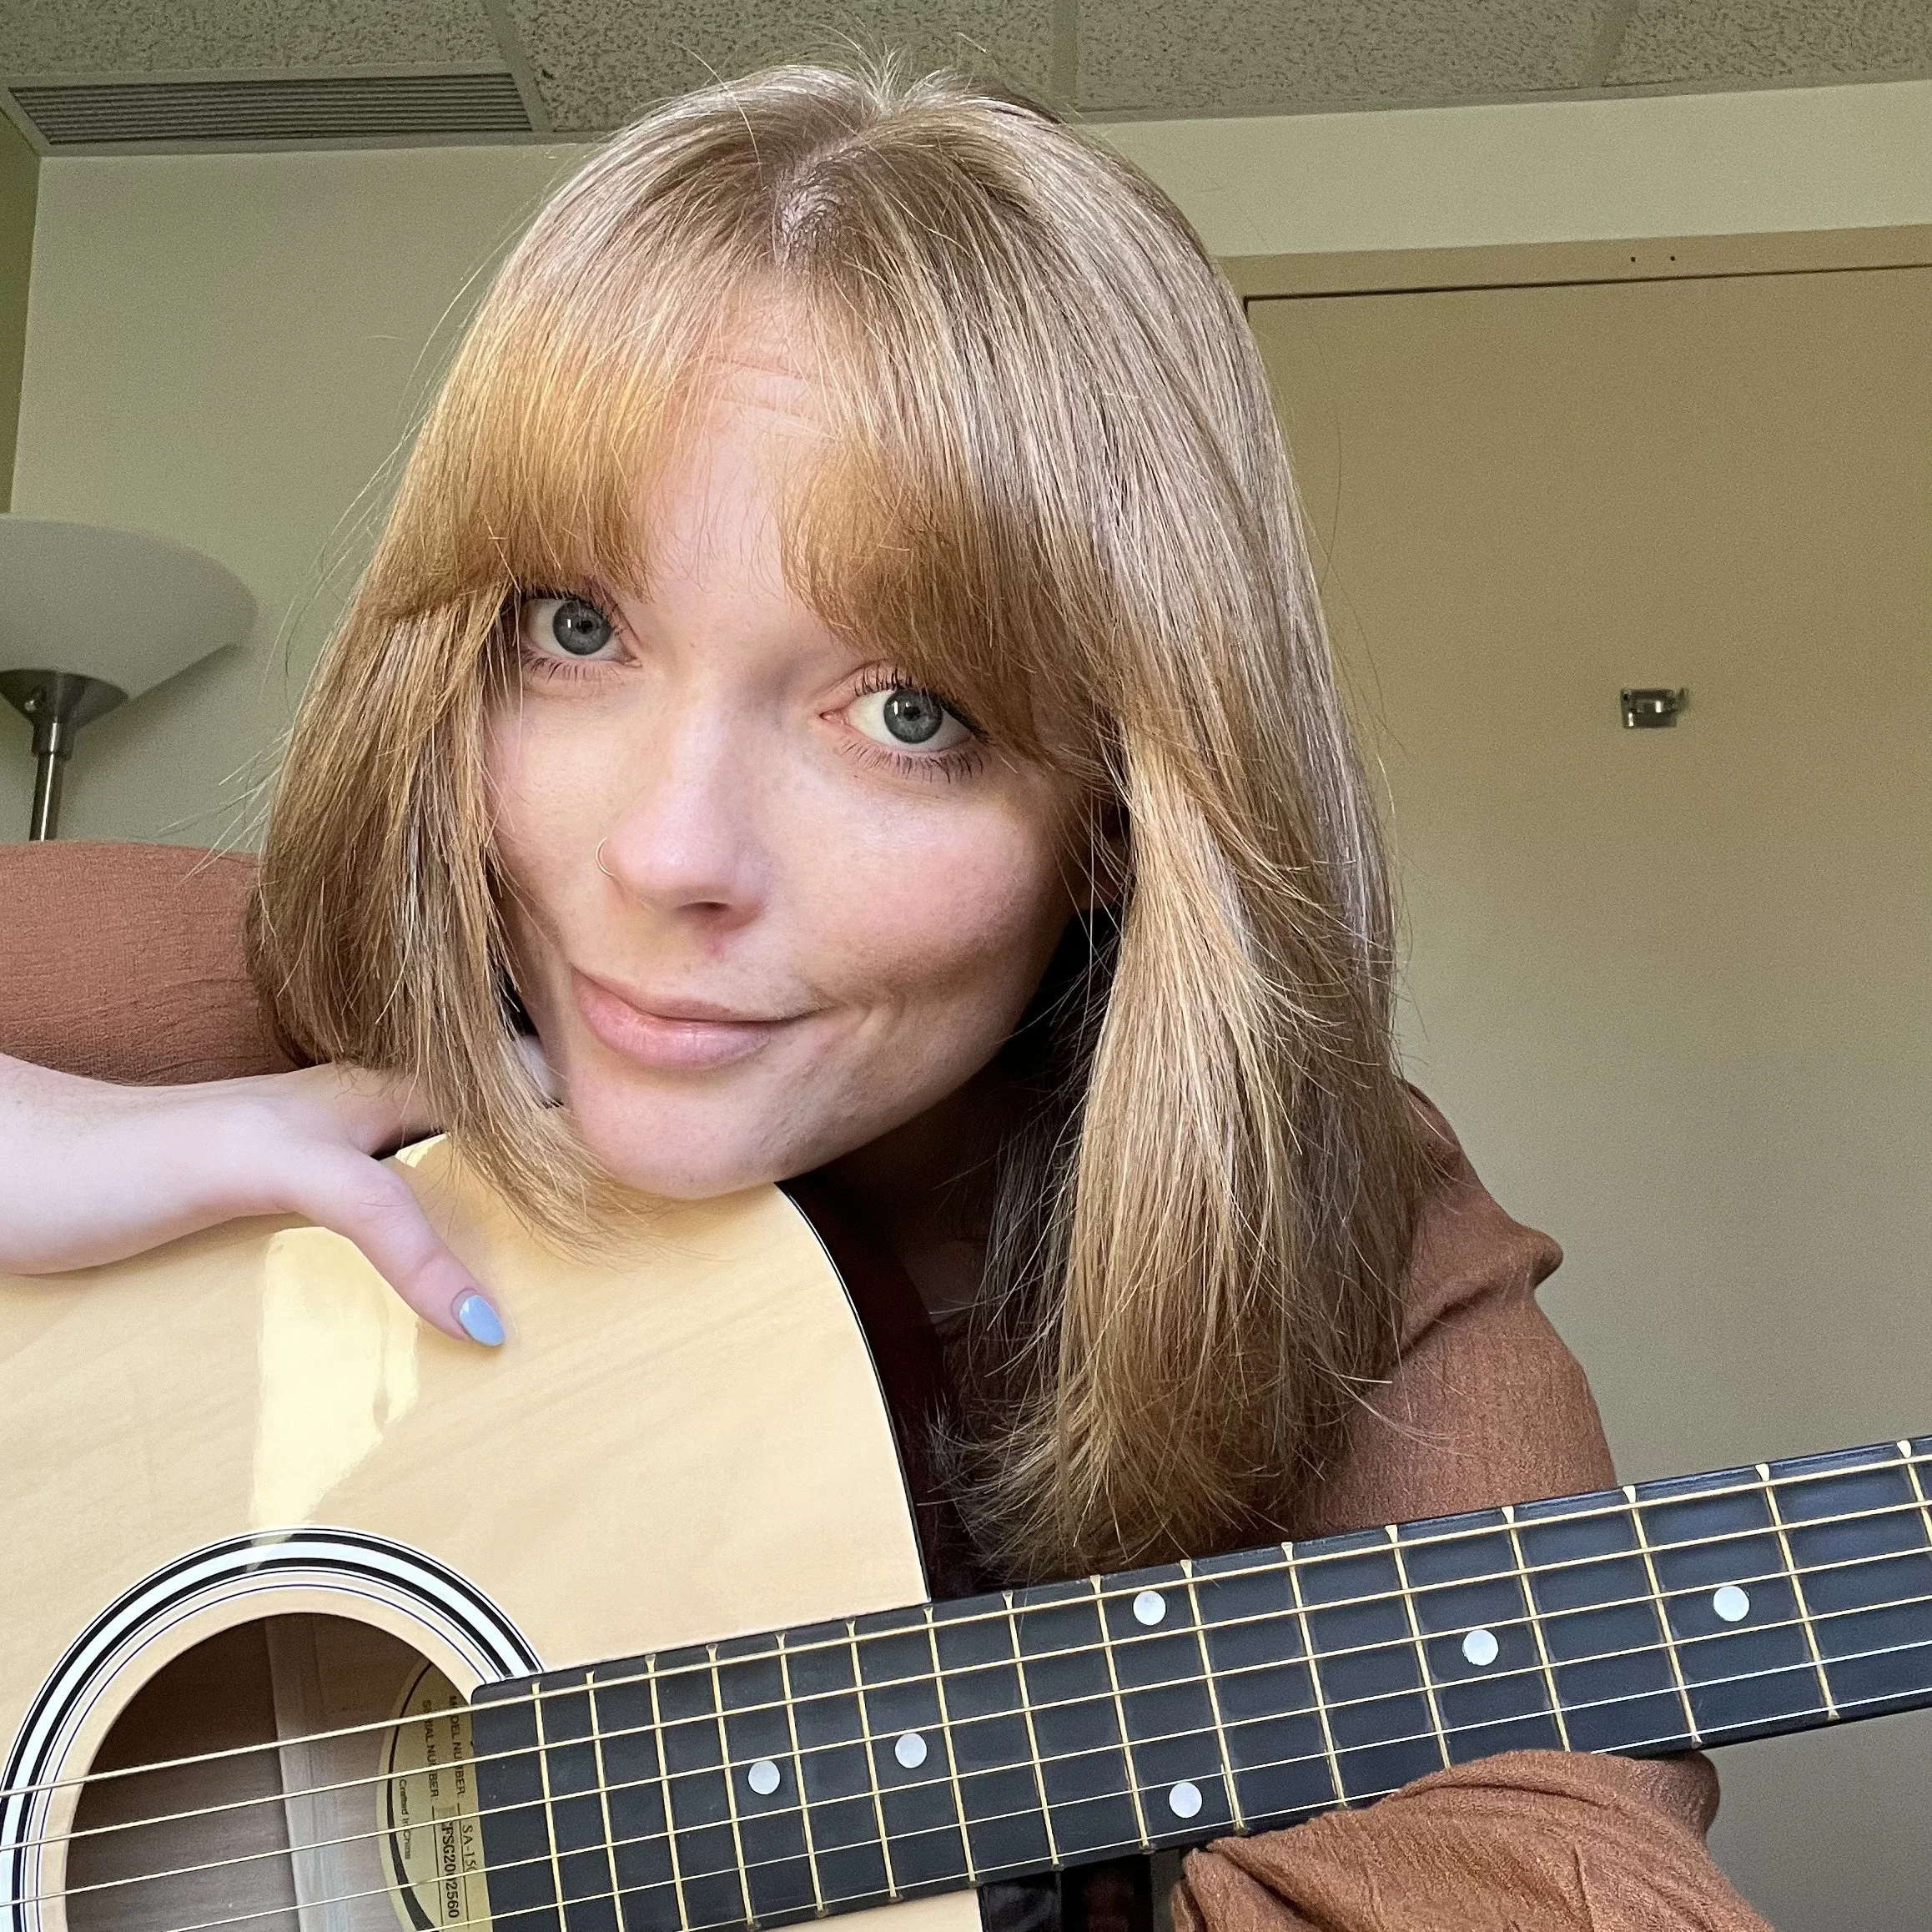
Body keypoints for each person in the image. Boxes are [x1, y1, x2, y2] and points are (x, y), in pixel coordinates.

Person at [0, 63, 1769, 1932]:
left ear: (1117, 814)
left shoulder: (1340, 1239)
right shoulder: (306, 991)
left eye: (908, 713)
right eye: (578, 629)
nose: (669, 854)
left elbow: (1554, 1858)